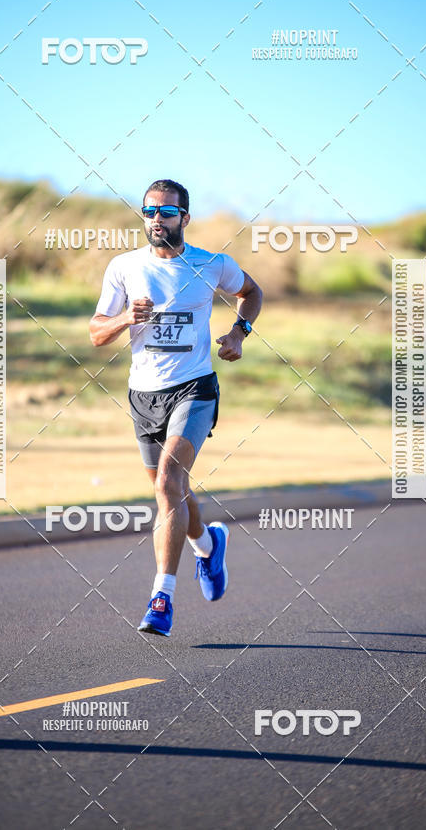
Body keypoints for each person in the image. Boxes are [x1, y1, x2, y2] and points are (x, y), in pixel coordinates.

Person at [89, 179, 262, 637]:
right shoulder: (124, 267)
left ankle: (161, 598)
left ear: (185, 217)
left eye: (166, 212)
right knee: (174, 493)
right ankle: (209, 544)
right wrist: (127, 318)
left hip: (195, 389)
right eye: (149, 212)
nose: (156, 220)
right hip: (143, 397)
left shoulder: (211, 264)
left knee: (168, 481)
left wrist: (238, 333)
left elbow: (252, 291)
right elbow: (96, 333)